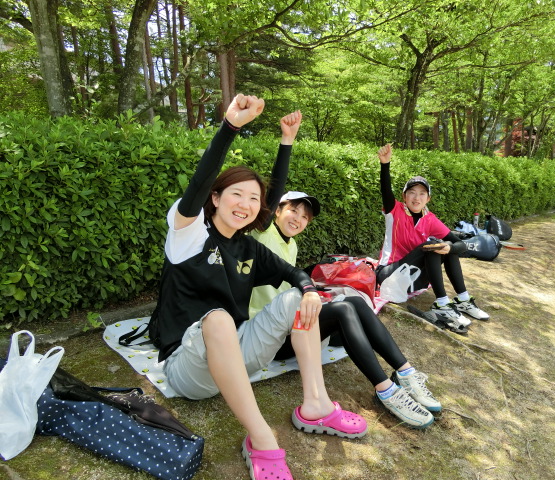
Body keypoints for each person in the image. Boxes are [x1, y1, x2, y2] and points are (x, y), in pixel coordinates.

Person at [147, 95, 367, 480]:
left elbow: (295, 273)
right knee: (217, 318)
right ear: (215, 198)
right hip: (188, 369)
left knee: (299, 298)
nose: (245, 203)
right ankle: (262, 440)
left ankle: (315, 405)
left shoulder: (248, 246)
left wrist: (309, 291)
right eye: (236, 194)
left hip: (239, 356)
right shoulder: (189, 235)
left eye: (253, 198)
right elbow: (199, 182)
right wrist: (230, 126)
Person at [248, 120, 441, 429]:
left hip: (292, 326)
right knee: (343, 310)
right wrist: (287, 141)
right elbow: (274, 188)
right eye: (293, 210)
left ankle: (405, 373)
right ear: (277, 210)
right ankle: (386, 391)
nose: (298, 219)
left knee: (354, 304)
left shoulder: (291, 245)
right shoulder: (260, 233)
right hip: (267, 335)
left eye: (305, 216)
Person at [375, 143, 490, 329]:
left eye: (422, 194)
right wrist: (385, 164)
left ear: (428, 199)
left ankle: (463, 299)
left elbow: (461, 245)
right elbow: (385, 190)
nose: (416, 198)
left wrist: (449, 247)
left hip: (413, 281)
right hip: (388, 275)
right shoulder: (394, 210)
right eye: (412, 193)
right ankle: (442, 304)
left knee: (444, 247)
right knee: (432, 246)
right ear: (404, 196)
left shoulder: (429, 219)